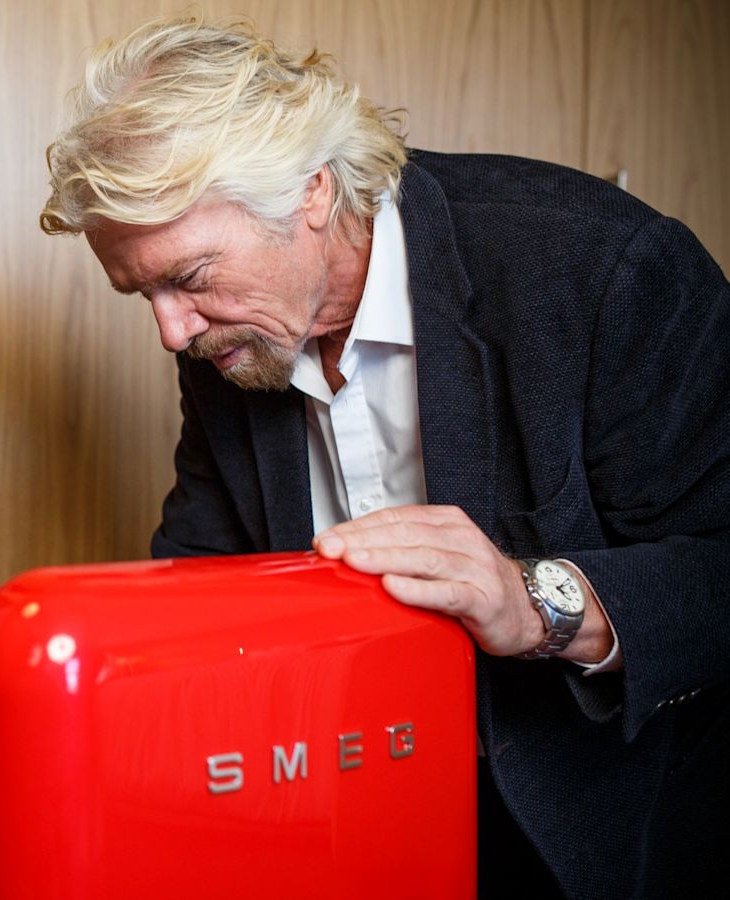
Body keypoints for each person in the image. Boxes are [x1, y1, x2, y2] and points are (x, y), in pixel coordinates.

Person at [39, 14, 729, 899]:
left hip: (606, 829)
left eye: (189, 277)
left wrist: (532, 605)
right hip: (352, 812)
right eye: (142, 293)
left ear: (312, 192)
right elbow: (203, 574)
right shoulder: (230, 336)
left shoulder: (603, 269)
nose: (171, 330)